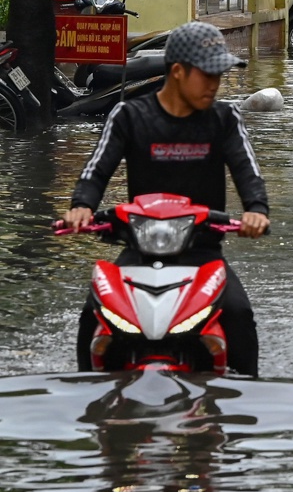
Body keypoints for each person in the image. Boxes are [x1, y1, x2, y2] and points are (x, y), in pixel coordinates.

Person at [64, 22, 270, 373]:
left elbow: (247, 170)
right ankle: (90, 394)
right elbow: (96, 170)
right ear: (177, 71)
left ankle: (243, 403)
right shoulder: (129, 114)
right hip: (140, 249)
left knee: (237, 312)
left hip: (203, 250)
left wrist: (256, 210)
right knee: (92, 310)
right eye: (207, 75)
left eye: (218, 75)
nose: (215, 85)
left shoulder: (225, 117)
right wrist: (81, 206)